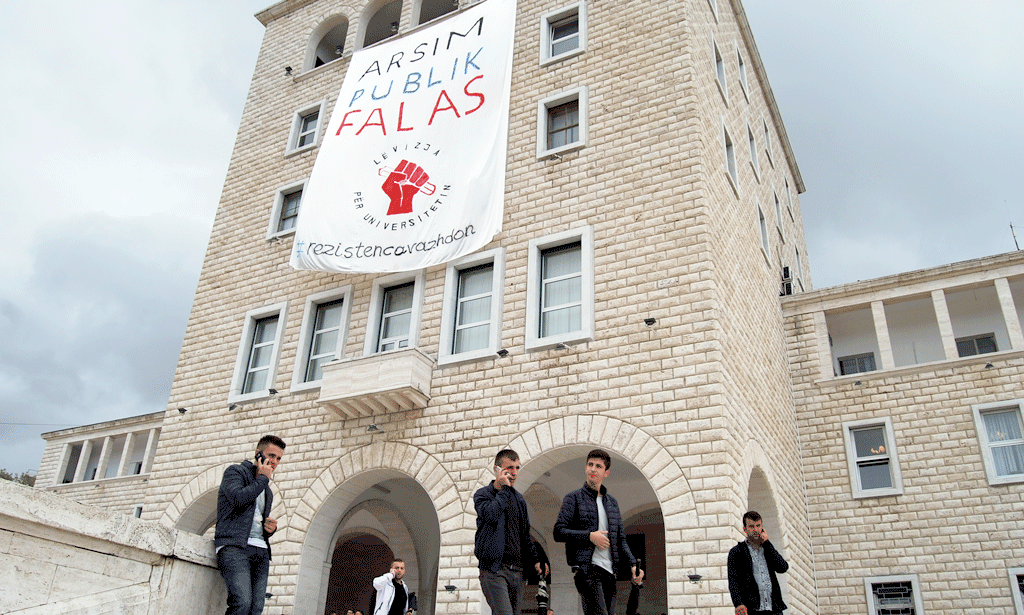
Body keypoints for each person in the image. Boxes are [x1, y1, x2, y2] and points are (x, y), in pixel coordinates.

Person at [554, 449, 643, 615]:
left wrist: (632, 565)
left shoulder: (612, 504)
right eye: (590, 465)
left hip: (610, 572)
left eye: (598, 466)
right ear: (585, 468)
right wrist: (589, 536)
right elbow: (558, 532)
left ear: (606, 472)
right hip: (586, 570)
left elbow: (621, 539)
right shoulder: (572, 498)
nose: (593, 469)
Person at [214, 434, 286, 615]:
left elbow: (252, 520)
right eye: (271, 456)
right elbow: (238, 499)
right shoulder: (235, 472)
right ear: (258, 454)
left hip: (260, 550)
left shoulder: (267, 491)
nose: (274, 462)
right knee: (241, 604)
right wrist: (262, 478)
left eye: (278, 458)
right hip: (234, 546)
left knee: (256, 609)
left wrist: (268, 530)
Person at [474, 449, 542, 615]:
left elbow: (525, 534)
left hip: (517, 572)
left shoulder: (519, 499)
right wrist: (504, 489)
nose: (514, 473)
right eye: (509, 468)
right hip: (493, 570)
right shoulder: (482, 495)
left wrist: (536, 559)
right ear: (496, 469)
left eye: (517, 468)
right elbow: (491, 515)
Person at [727, 511, 789, 615]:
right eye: (751, 526)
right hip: (752, 610)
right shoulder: (737, 552)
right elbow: (733, 580)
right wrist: (738, 603)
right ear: (744, 529)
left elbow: (782, 567)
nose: (755, 529)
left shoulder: (768, 549)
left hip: (774, 610)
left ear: (762, 527)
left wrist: (767, 543)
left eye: (758, 526)